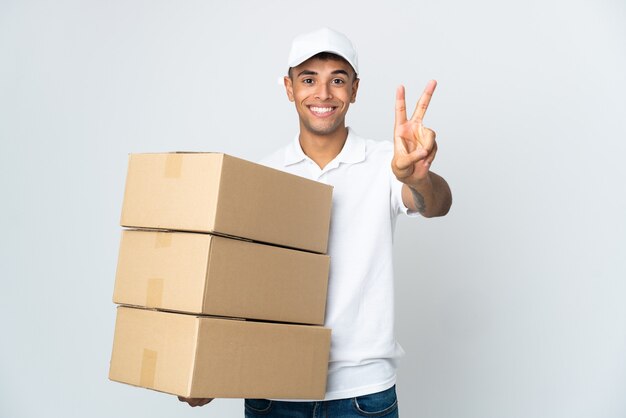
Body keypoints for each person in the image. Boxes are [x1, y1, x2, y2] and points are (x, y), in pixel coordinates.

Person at [179, 27, 452, 417]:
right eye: (308, 79)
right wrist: (206, 366)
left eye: (337, 80)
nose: (323, 94)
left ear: (354, 90)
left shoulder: (385, 163)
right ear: (289, 88)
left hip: (362, 394)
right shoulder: (262, 175)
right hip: (273, 391)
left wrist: (416, 177)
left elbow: (435, 204)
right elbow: (236, 283)